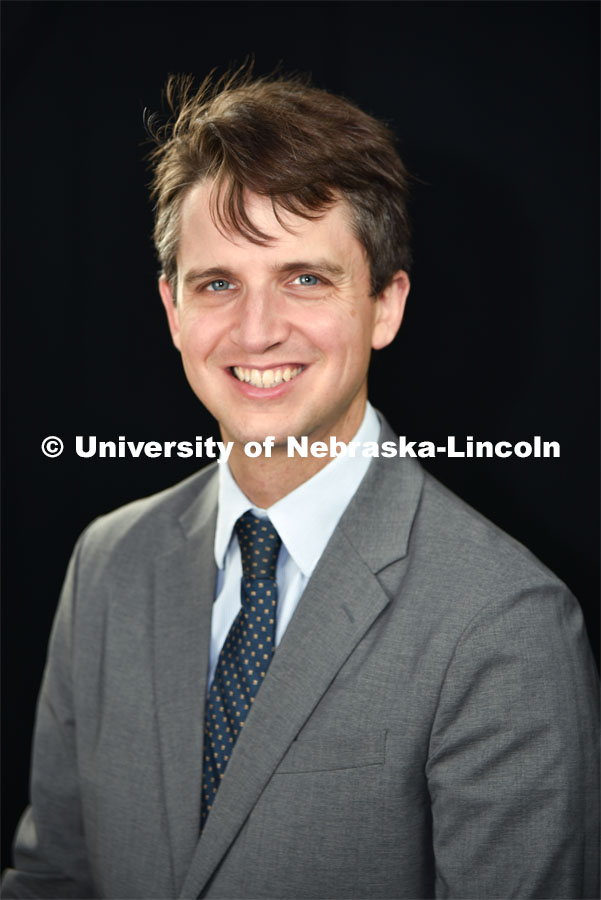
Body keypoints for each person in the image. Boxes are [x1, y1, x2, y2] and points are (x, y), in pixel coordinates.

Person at [3, 69, 599, 900]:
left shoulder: (504, 622)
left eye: (305, 279)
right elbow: (51, 880)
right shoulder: (107, 565)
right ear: (173, 310)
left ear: (385, 305)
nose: (256, 329)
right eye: (219, 284)